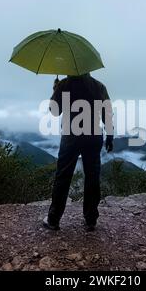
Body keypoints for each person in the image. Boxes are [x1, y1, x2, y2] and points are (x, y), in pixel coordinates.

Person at [43, 72, 114, 231]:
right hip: (93, 136)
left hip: (71, 137)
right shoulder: (99, 86)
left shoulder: (64, 85)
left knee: (63, 176)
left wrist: (55, 90)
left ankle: (53, 219)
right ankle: (90, 220)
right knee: (92, 176)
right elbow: (107, 113)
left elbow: (54, 111)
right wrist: (110, 136)